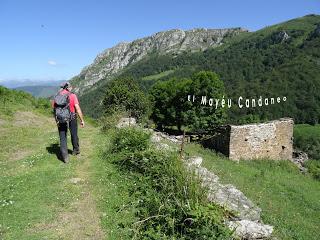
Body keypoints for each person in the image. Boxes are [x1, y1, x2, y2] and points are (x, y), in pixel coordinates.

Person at [52, 82, 85, 162]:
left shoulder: (57, 96)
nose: (71, 87)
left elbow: (54, 110)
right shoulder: (72, 95)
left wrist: (57, 120)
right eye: (70, 86)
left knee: (62, 137)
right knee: (74, 134)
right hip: (72, 117)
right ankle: (75, 150)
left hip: (61, 118)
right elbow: (77, 108)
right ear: (67, 87)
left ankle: (65, 157)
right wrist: (82, 120)